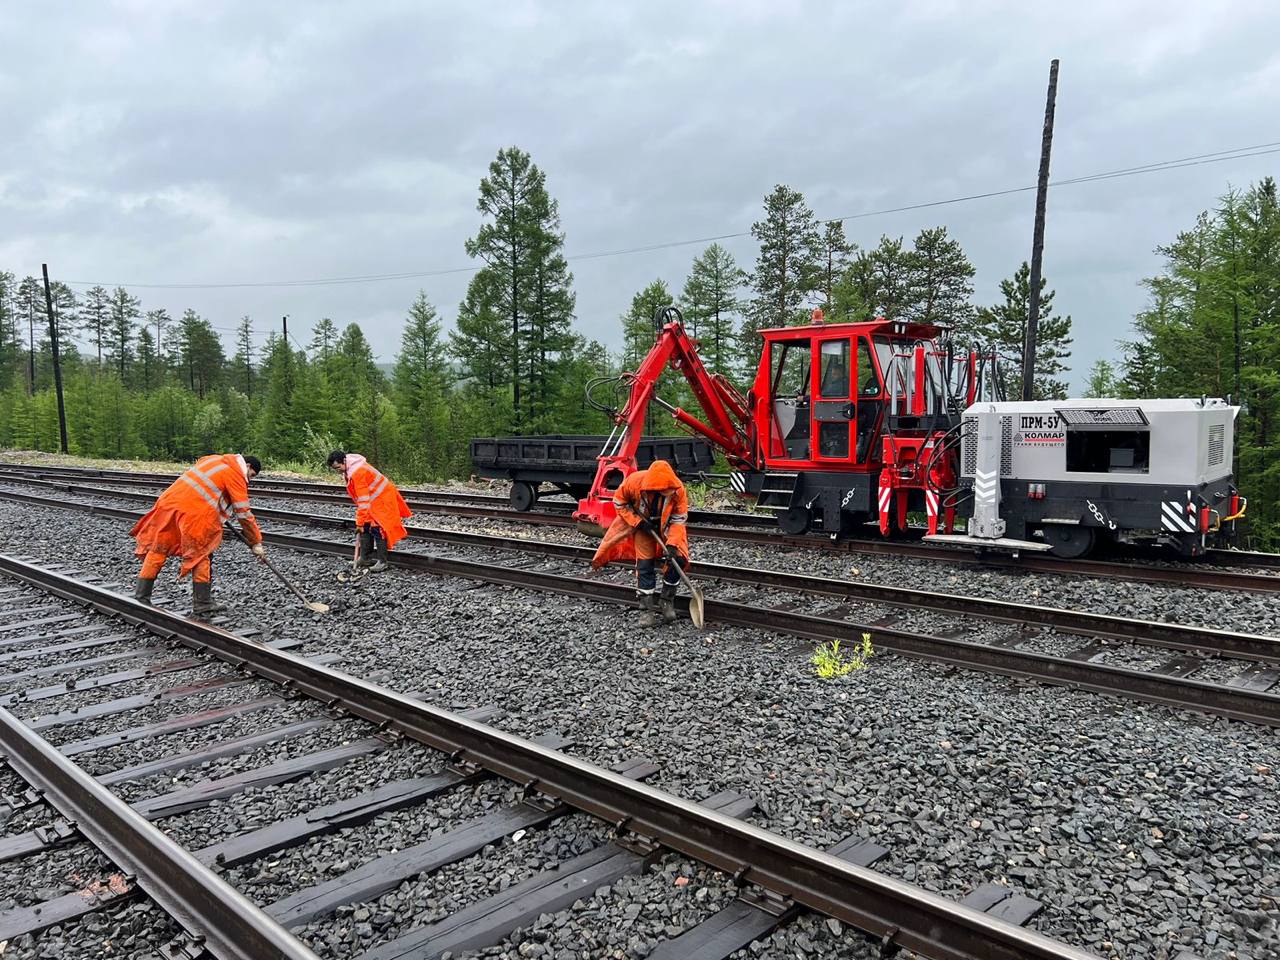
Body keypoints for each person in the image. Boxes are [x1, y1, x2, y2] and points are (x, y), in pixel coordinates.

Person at [131, 454, 266, 617]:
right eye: (251, 476)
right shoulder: (235, 472)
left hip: (168, 504)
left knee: (158, 548)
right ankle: (202, 603)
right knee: (202, 554)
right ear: (248, 466)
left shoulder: (213, 460)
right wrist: (256, 541)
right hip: (194, 512)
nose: (249, 480)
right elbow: (243, 513)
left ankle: (141, 596)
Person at [590, 459, 690, 627]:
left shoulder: (678, 489)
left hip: (667, 527)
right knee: (645, 565)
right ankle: (646, 610)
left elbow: (679, 520)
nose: (669, 492)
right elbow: (619, 502)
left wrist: (673, 544)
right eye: (665, 490)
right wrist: (637, 522)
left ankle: (667, 601)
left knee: (678, 559)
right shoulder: (634, 482)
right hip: (643, 526)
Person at [326, 450, 412, 572]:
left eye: (338, 467)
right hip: (374, 498)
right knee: (366, 526)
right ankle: (365, 558)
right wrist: (362, 522)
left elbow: (363, 500)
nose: (337, 470)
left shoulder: (357, 473)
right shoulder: (350, 466)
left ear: (344, 461)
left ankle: (382, 562)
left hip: (382, 498)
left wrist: (359, 522)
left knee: (378, 528)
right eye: (335, 469)